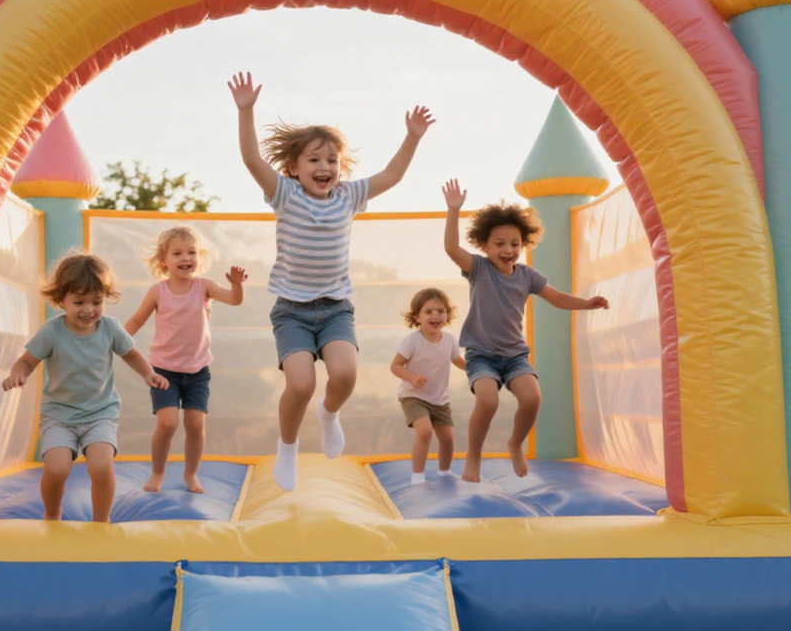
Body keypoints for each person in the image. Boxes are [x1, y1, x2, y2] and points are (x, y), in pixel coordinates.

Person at [228, 71, 435, 491]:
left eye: (332, 161)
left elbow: (392, 175)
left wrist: (412, 137)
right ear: (294, 168)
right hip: (293, 311)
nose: (324, 167)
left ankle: (329, 413)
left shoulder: (348, 196)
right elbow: (251, 159)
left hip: (336, 308)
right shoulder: (285, 194)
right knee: (300, 383)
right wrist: (246, 111)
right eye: (314, 160)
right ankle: (288, 446)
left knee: (344, 376)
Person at [441, 179, 609, 482]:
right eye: (500, 243)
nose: (508, 250)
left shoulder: (527, 276)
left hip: (515, 355)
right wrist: (453, 210)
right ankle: (474, 455)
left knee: (532, 399)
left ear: (524, 244)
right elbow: (452, 248)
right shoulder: (479, 269)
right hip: (482, 355)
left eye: (515, 244)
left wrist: (587, 304)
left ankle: (515, 444)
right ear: (484, 246)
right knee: (488, 401)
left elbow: (557, 298)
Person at [2, 253, 168, 522]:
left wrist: (149, 374)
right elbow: (26, 361)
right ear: (62, 300)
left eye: (97, 302)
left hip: (100, 413)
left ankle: (101, 522)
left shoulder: (110, 328)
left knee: (101, 467)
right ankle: (52, 513)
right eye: (79, 302)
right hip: (59, 415)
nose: (89, 310)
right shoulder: (52, 332)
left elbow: (131, 354)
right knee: (57, 469)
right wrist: (17, 374)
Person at [124, 225, 247, 494]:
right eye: (177, 253)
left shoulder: (203, 287)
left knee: (195, 424)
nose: (185, 258)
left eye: (191, 252)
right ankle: (158, 472)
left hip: (197, 370)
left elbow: (234, 300)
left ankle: (191, 474)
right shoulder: (157, 291)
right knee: (167, 423)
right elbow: (136, 319)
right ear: (163, 260)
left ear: (199, 257)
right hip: (164, 370)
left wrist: (236, 285)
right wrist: (118, 340)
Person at [390, 287, 467, 486]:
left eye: (440, 311)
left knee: (447, 438)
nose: (435, 316)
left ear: (447, 315)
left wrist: (473, 369)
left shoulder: (449, 340)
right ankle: (417, 476)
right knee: (424, 432)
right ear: (417, 316)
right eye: (428, 311)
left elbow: (457, 360)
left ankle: (445, 472)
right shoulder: (412, 342)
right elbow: (395, 366)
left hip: (440, 399)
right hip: (413, 396)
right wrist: (411, 377)